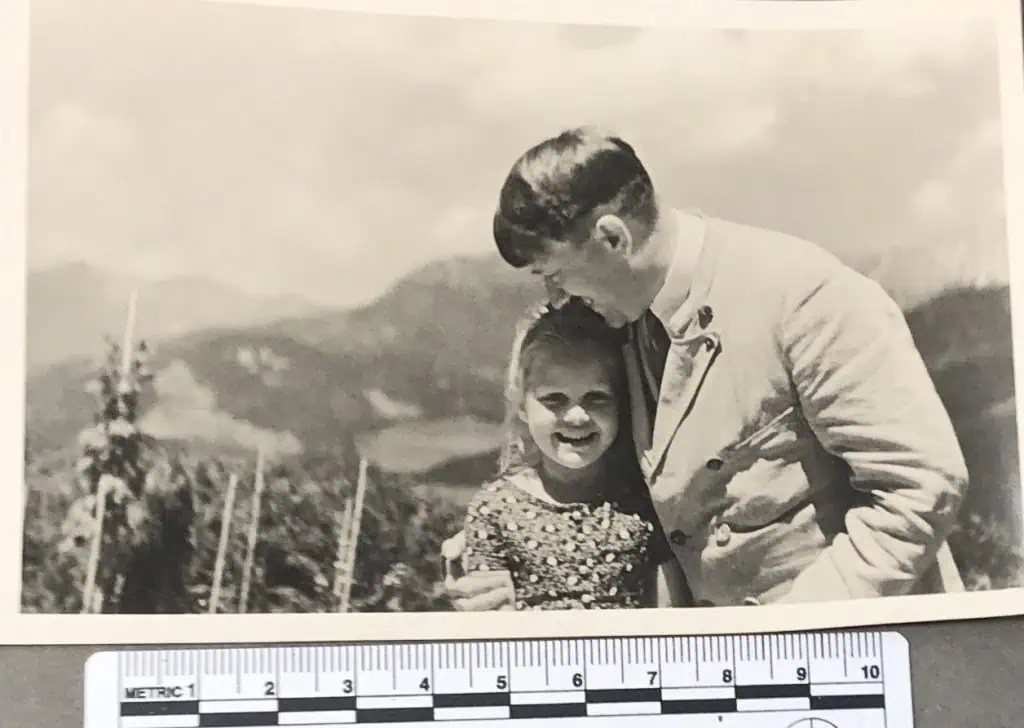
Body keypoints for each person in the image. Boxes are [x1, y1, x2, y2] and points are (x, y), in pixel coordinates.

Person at [445, 126, 968, 609]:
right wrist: (507, 548)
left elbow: (922, 484)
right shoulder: (620, 319)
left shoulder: (805, 296)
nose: (555, 297)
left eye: (555, 274)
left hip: (849, 652)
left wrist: (792, 634)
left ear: (611, 238)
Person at [447, 298, 684, 610]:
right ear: (521, 405)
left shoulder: (645, 503)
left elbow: (671, 621)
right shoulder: (495, 511)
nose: (576, 416)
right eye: (554, 399)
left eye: (596, 398)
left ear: (620, 405)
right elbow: (491, 622)